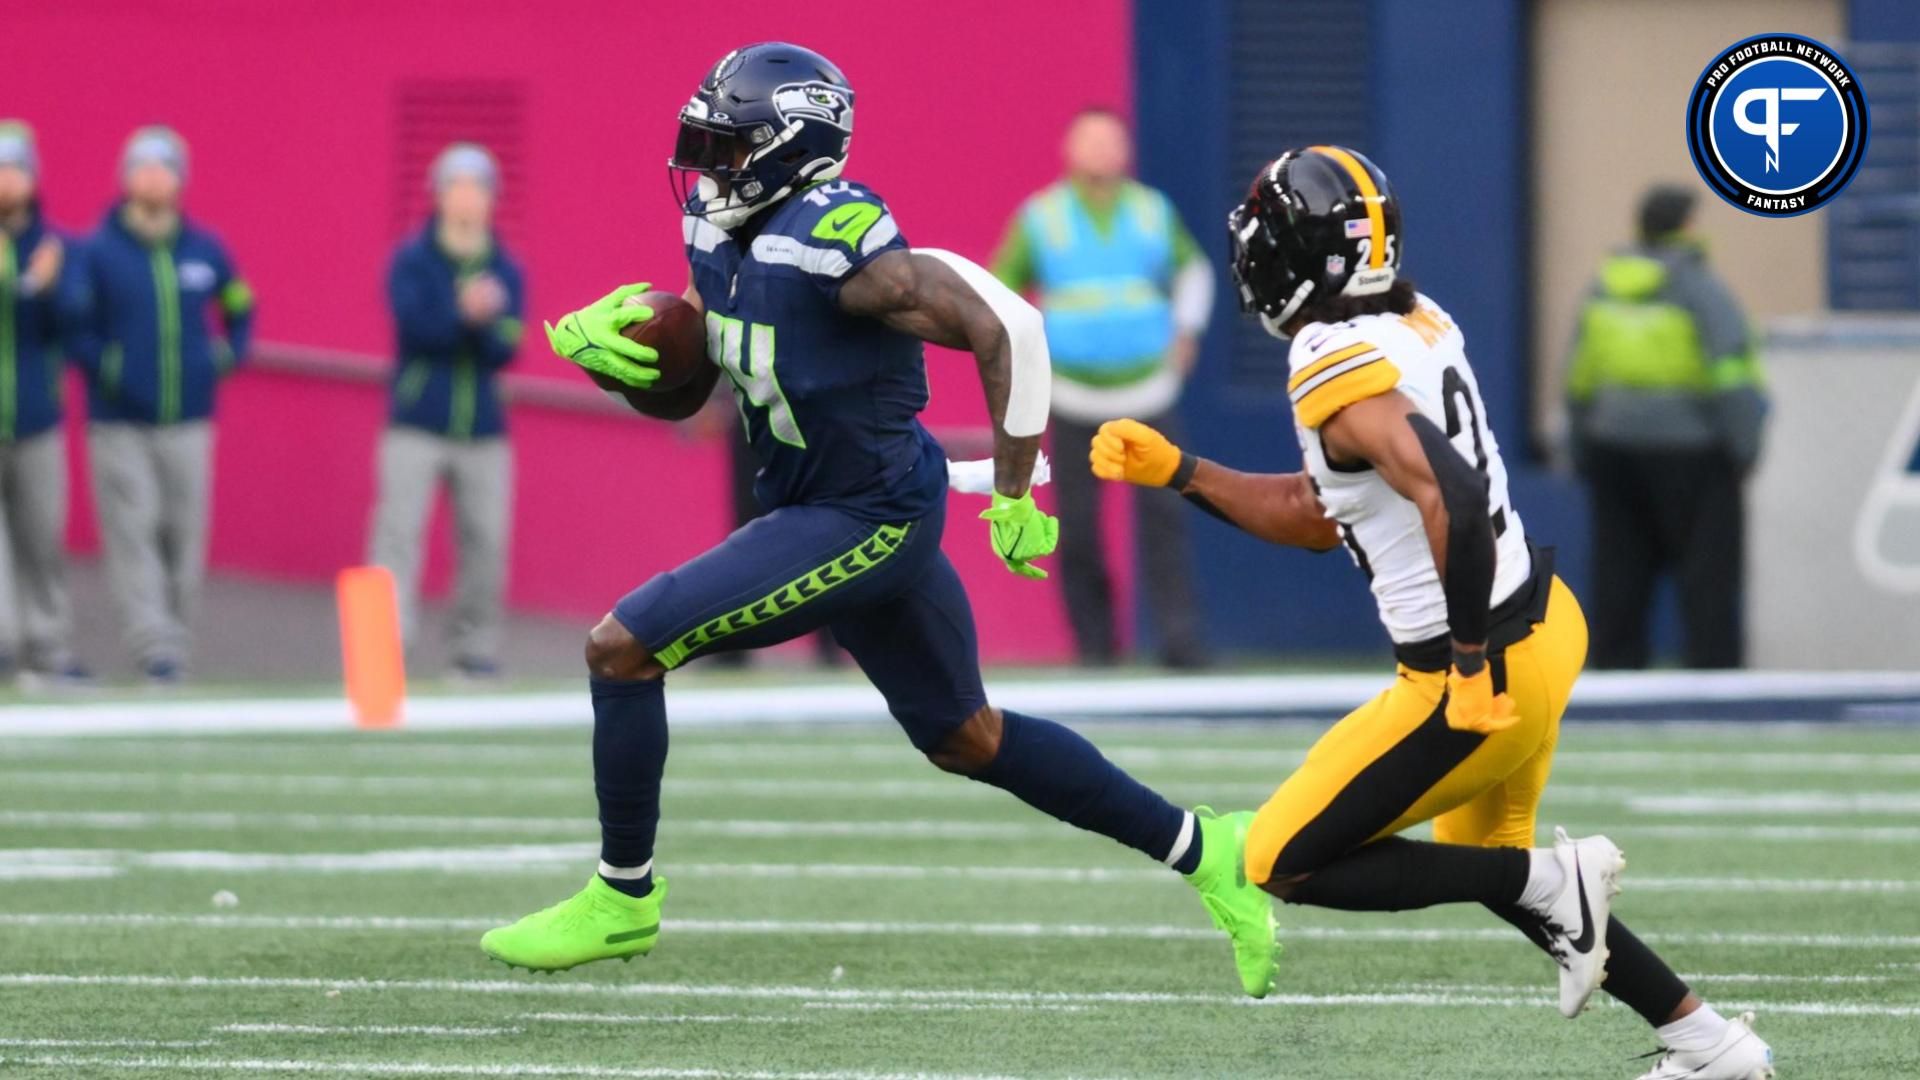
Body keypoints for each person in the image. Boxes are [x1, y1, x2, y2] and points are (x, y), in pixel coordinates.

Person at [478, 42, 1276, 998]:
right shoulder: (713, 225)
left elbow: (1010, 326)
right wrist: (633, 363)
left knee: (622, 647)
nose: (706, 168)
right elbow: (706, 367)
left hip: (865, 514)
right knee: (967, 738)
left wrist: (1019, 490)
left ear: (791, 150)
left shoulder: (841, 245)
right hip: (833, 498)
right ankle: (1207, 850)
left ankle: (622, 896)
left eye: (727, 147)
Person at [1092, 147, 1773, 1080]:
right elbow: (1319, 515)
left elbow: (1442, 489)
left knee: (1283, 860)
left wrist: (1464, 662)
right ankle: (1709, 1043)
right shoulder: (1411, 316)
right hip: (1545, 619)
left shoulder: (1325, 355)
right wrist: (1179, 471)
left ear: (1298, 257)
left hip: (1478, 670)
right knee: (1490, 861)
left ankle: (1552, 881)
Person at [991, 109, 1211, 668]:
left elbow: (1194, 272)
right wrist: (1022, 356)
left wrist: (1186, 332)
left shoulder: (1152, 211)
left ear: (1125, 150)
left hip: (1149, 394)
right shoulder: (1042, 218)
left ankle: (1179, 643)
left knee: (1166, 522)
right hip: (1070, 397)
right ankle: (1095, 648)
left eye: (1110, 141)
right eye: (1089, 140)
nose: (1100, 151)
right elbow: (998, 290)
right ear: (1069, 149)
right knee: (1079, 529)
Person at [75, 126, 254, 684]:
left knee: (183, 533)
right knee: (134, 530)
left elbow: (240, 304)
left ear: (180, 179)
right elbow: (78, 327)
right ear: (126, 178)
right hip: (119, 422)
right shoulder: (97, 252)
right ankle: (154, 646)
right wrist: (109, 371)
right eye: (142, 167)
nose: (153, 177)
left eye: (164, 167)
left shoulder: (206, 250)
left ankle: (175, 644)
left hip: (189, 419)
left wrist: (225, 356)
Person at [1566, 184, 1765, 670]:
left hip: (1612, 447)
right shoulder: (1700, 288)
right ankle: (1714, 680)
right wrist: (1745, 446)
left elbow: (1578, 375)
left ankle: (1616, 679)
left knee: (1619, 570)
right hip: (1693, 452)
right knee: (1708, 574)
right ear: (1687, 227)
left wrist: (1580, 446)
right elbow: (1732, 374)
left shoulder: (1603, 284)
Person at [367, 143, 524, 680]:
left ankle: (473, 651)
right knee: (395, 537)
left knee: (486, 543)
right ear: (438, 195)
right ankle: (380, 655)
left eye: (477, 188)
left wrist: (484, 322)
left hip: (483, 428)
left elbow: (508, 345)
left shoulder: (505, 267)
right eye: (456, 186)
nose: (466, 198)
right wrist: (464, 312)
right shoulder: (412, 259)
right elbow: (415, 328)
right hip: (415, 421)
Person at [0, 121, 91, 687]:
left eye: (16, 171)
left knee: (41, 539)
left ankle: (48, 646)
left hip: (37, 416)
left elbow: (73, 325)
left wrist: (49, 289)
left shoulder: (56, 246)